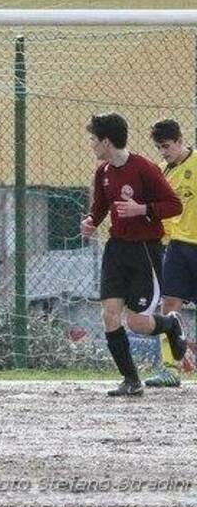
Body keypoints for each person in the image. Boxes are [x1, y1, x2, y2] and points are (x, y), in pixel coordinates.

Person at [81, 112, 187, 397]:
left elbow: (174, 205)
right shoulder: (103, 172)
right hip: (116, 249)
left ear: (106, 141)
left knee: (137, 323)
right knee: (110, 316)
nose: (91, 145)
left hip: (144, 250)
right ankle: (131, 380)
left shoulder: (145, 168)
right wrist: (91, 221)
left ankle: (171, 324)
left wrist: (143, 209)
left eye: (93, 140)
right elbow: (101, 207)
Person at [145, 119, 196, 388]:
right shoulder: (164, 172)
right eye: (159, 147)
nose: (163, 152)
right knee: (169, 304)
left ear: (179, 141)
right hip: (176, 247)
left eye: (166, 146)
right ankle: (170, 369)